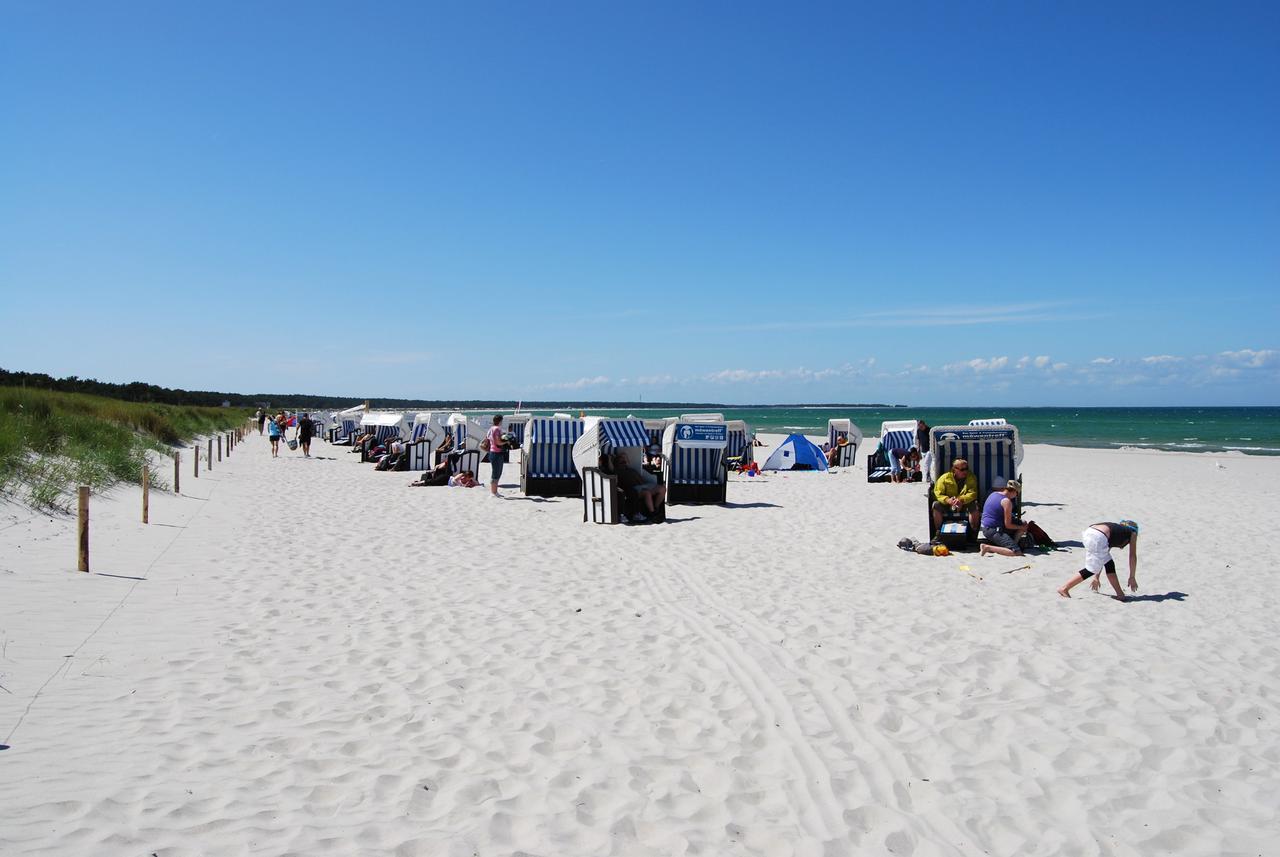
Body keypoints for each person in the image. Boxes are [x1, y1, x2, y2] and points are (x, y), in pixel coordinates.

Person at [1058, 520, 1140, 601]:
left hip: (1089, 532)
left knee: (1108, 563)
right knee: (1091, 569)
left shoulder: (1116, 531)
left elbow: (1102, 556)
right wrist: (1132, 577)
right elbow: (1132, 556)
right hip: (1098, 537)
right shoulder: (1132, 532)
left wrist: (1096, 578)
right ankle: (1065, 588)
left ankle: (1120, 594)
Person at [611, 450, 665, 522]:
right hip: (634, 488)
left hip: (643, 485)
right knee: (647, 493)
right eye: (621, 462)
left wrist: (623, 456)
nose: (624, 463)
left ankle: (656, 508)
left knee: (662, 488)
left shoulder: (628, 468)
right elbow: (611, 468)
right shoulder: (617, 471)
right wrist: (611, 459)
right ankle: (653, 514)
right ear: (617, 463)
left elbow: (626, 459)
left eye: (624, 461)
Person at [978, 480, 1028, 557]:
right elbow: (1008, 525)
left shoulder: (993, 494)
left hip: (985, 527)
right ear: (1014, 491)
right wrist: (1022, 527)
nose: (1016, 496)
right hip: (993, 530)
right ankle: (987, 548)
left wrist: (1021, 525)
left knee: (1023, 522)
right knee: (1017, 553)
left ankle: (1013, 544)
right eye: (1017, 494)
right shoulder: (1007, 502)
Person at [932, 458, 979, 533]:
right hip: (947, 504)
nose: (965, 471)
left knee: (974, 505)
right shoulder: (944, 478)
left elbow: (973, 493)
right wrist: (948, 500)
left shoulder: (971, 477)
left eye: (966, 468)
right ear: (954, 469)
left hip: (964, 504)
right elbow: (938, 493)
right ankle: (938, 532)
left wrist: (961, 500)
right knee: (936, 505)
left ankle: (974, 532)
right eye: (962, 469)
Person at [484, 415, 506, 498]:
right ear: (500, 421)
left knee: (496, 472)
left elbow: (488, 439)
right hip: (496, 453)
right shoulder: (496, 429)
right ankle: (493, 492)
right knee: (496, 473)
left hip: (492, 452)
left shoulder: (490, 429)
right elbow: (498, 442)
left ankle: (495, 492)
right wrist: (506, 442)